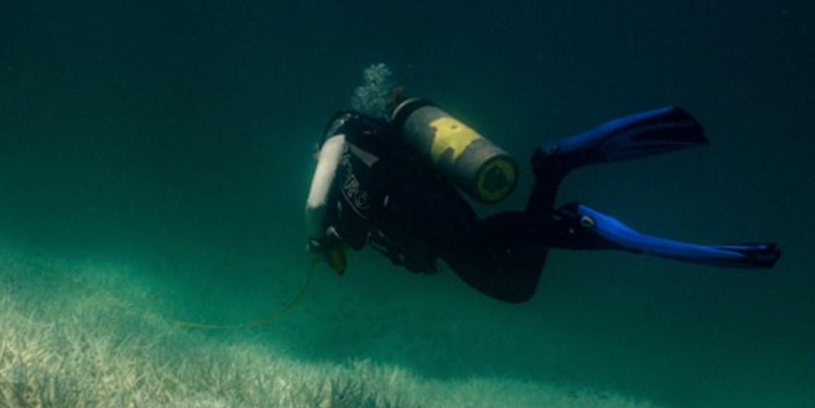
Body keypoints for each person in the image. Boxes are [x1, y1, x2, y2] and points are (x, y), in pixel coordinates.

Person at [305, 67, 781, 303]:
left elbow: (313, 201)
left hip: (430, 216)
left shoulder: (338, 141)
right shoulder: (362, 155)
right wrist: (332, 239)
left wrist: (313, 233)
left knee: (494, 260)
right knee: (515, 285)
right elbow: (359, 228)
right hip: (433, 218)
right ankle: (554, 173)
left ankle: (570, 213)